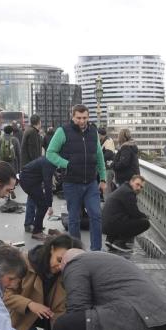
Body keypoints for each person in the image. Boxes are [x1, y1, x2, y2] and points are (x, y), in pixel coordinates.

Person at [45, 104, 107, 251]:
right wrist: (66, 164)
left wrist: (103, 178)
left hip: (91, 182)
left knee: (96, 216)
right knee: (74, 219)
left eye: (84, 117)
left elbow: (99, 155)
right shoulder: (62, 131)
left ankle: (96, 251)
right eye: (78, 118)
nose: (81, 121)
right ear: (72, 116)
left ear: (88, 117)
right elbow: (50, 153)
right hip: (72, 183)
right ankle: (76, 251)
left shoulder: (93, 132)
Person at [4, 234, 81, 330]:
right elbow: (5, 295)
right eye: (59, 260)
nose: (60, 267)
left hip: (49, 319)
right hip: (21, 317)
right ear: (52, 249)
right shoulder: (24, 262)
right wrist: (30, 304)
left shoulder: (66, 274)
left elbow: (61, 311)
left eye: (66, 264)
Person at [102, 174, 150, 253]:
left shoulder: (123, 188)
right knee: (145, 223)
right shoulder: (129, 193)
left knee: (125, 217)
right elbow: (134, 213)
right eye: (137, 184)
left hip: (105, 224)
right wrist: (145, 216)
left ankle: (110, 240)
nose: (139, 188)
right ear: (131, 182)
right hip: (111, 224)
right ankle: (120, 242)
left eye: (141, 187)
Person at [19, 156, 55, 240]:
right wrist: (50, 205)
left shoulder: (48, 159)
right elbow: (47, 185)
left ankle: (36, 226)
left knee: (40, 202)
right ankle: (37, 232)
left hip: (31, 179)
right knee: (43, 205)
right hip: (28, 181)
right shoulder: (48, 164)